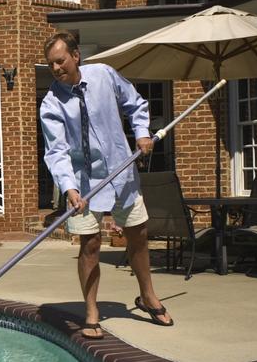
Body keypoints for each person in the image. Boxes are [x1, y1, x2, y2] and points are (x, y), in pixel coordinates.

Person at [40, 32, 174, 339]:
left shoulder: (103, 75)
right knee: (90, 246)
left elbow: (135, 103)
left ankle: (148, 297)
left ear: (75, 56)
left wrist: (142, 133)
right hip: (83, 183)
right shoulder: (51, 103)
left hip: (121, 171)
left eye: (60, 61)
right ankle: (91, 311)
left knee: (138, 236)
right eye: (51, 65)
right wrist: (69, 189)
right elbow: (56, 151)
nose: (57, 68)